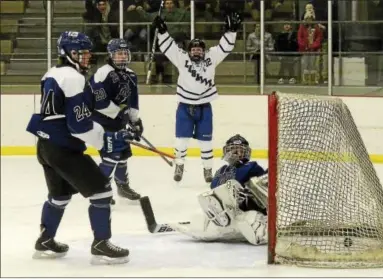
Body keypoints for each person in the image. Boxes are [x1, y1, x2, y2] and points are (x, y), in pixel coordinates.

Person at [26, 31, 133, 265]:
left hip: (45, 145)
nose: (86, 57)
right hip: (64, 148)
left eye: (87, 53)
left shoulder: (51, 73)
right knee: (103, 192)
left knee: (59, 196)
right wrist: (107, 140)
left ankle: (45, 240)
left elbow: (62, 113)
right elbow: (78, 125)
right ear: (67, 53)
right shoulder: (74, 78)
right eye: (80, 53)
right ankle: (101, 244)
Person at [151, 12, 242, 183]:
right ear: (189, 51)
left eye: (199, 49)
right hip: (185, 106)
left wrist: (231, 31)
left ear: (204, 50)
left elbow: (225, 47)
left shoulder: (212, 57)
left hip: (204, 106)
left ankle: (207, 170)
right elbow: (168, 47)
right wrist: (163, 31)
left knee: (206, 143)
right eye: (194, 49)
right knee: (181, 142)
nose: (196, 52)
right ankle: (179, 164)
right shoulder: (181, 58)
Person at [170, 134, 269, 245]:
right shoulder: (221, 171)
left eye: (240, 151)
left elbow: (260, 187)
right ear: (226, 152)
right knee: (200, 214)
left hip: (246, 207)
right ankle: (218, 219)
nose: (237, 153)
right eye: (233, 150)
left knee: (236, 189)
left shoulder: (252, 166)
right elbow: (214, 188)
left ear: (246, 153)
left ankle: (254, 226)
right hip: (226, 209)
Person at [86, 38, 143, 204]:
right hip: (100, 121)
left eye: (125, 53)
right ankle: (99, 190)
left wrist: (135, 121)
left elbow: (133, 101)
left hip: (117, 121)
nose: (123, 57)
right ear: (111, 55)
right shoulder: (104, 73)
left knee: (123, 154)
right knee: (111, 156)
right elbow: (99, 102)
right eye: (119, 53)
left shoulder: (131, 75)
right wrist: (120, 112)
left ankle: (122, 186)